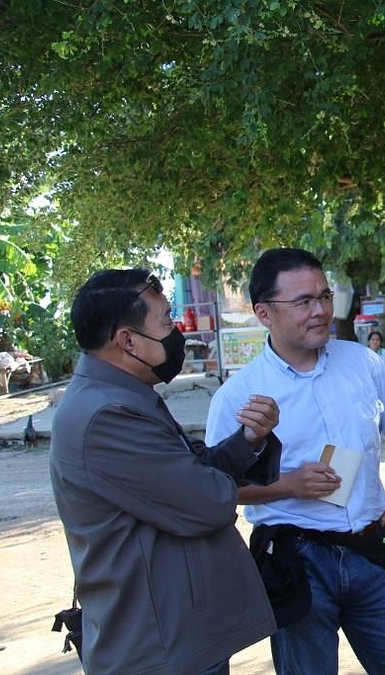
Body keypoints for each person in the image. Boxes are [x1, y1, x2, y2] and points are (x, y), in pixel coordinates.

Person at [205, 248, 385, 675]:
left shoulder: (362, 362)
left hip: (374, 547)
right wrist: (288, 486)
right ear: (263, 312)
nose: (320, 311)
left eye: (324, 296)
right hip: (296, 559)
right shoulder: (239, 397)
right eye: (303, 301)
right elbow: (217, 487)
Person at [50, 268, 283, 674]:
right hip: (158, 647)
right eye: (166, 323)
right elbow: (206, 502)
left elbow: (189, 469)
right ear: (127, 340)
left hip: (176, 634)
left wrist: (248, 440)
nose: (177, 333)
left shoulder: (123, 396)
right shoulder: (107, 414)